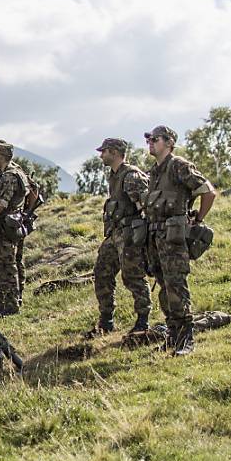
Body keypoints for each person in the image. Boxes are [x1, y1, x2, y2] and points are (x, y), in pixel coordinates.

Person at [143, 125, 216, 355]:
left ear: (169, 142)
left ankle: (186, 339)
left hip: (174, 239)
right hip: (156, 238)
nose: (150, 143)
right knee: (165, 288)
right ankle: (173, 337)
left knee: (176, 287)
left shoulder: (178, 166)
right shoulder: (154, 172)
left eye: (155, 139)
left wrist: (197, 219)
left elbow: (208, 191)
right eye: (148, 139)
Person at [86, 138, 153, 338]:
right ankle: (106, 321)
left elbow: (146, 207)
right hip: (115, 233)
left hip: (130, 235)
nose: (101, 155)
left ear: (114, 152)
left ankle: (143, 320)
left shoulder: (131, 176)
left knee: (133, 277)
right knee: (101, 272)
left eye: (104, 151)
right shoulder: (113, 176)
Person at [0, 141, 28, 315]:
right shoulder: (19, 172)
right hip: (15, 223)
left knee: (4, 266)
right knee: (13, 262)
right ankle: (10, 299)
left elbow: (1, 203)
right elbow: (33, 191)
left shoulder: (9, 176)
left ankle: (10, 306)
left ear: (1, 155)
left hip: (5, 225)